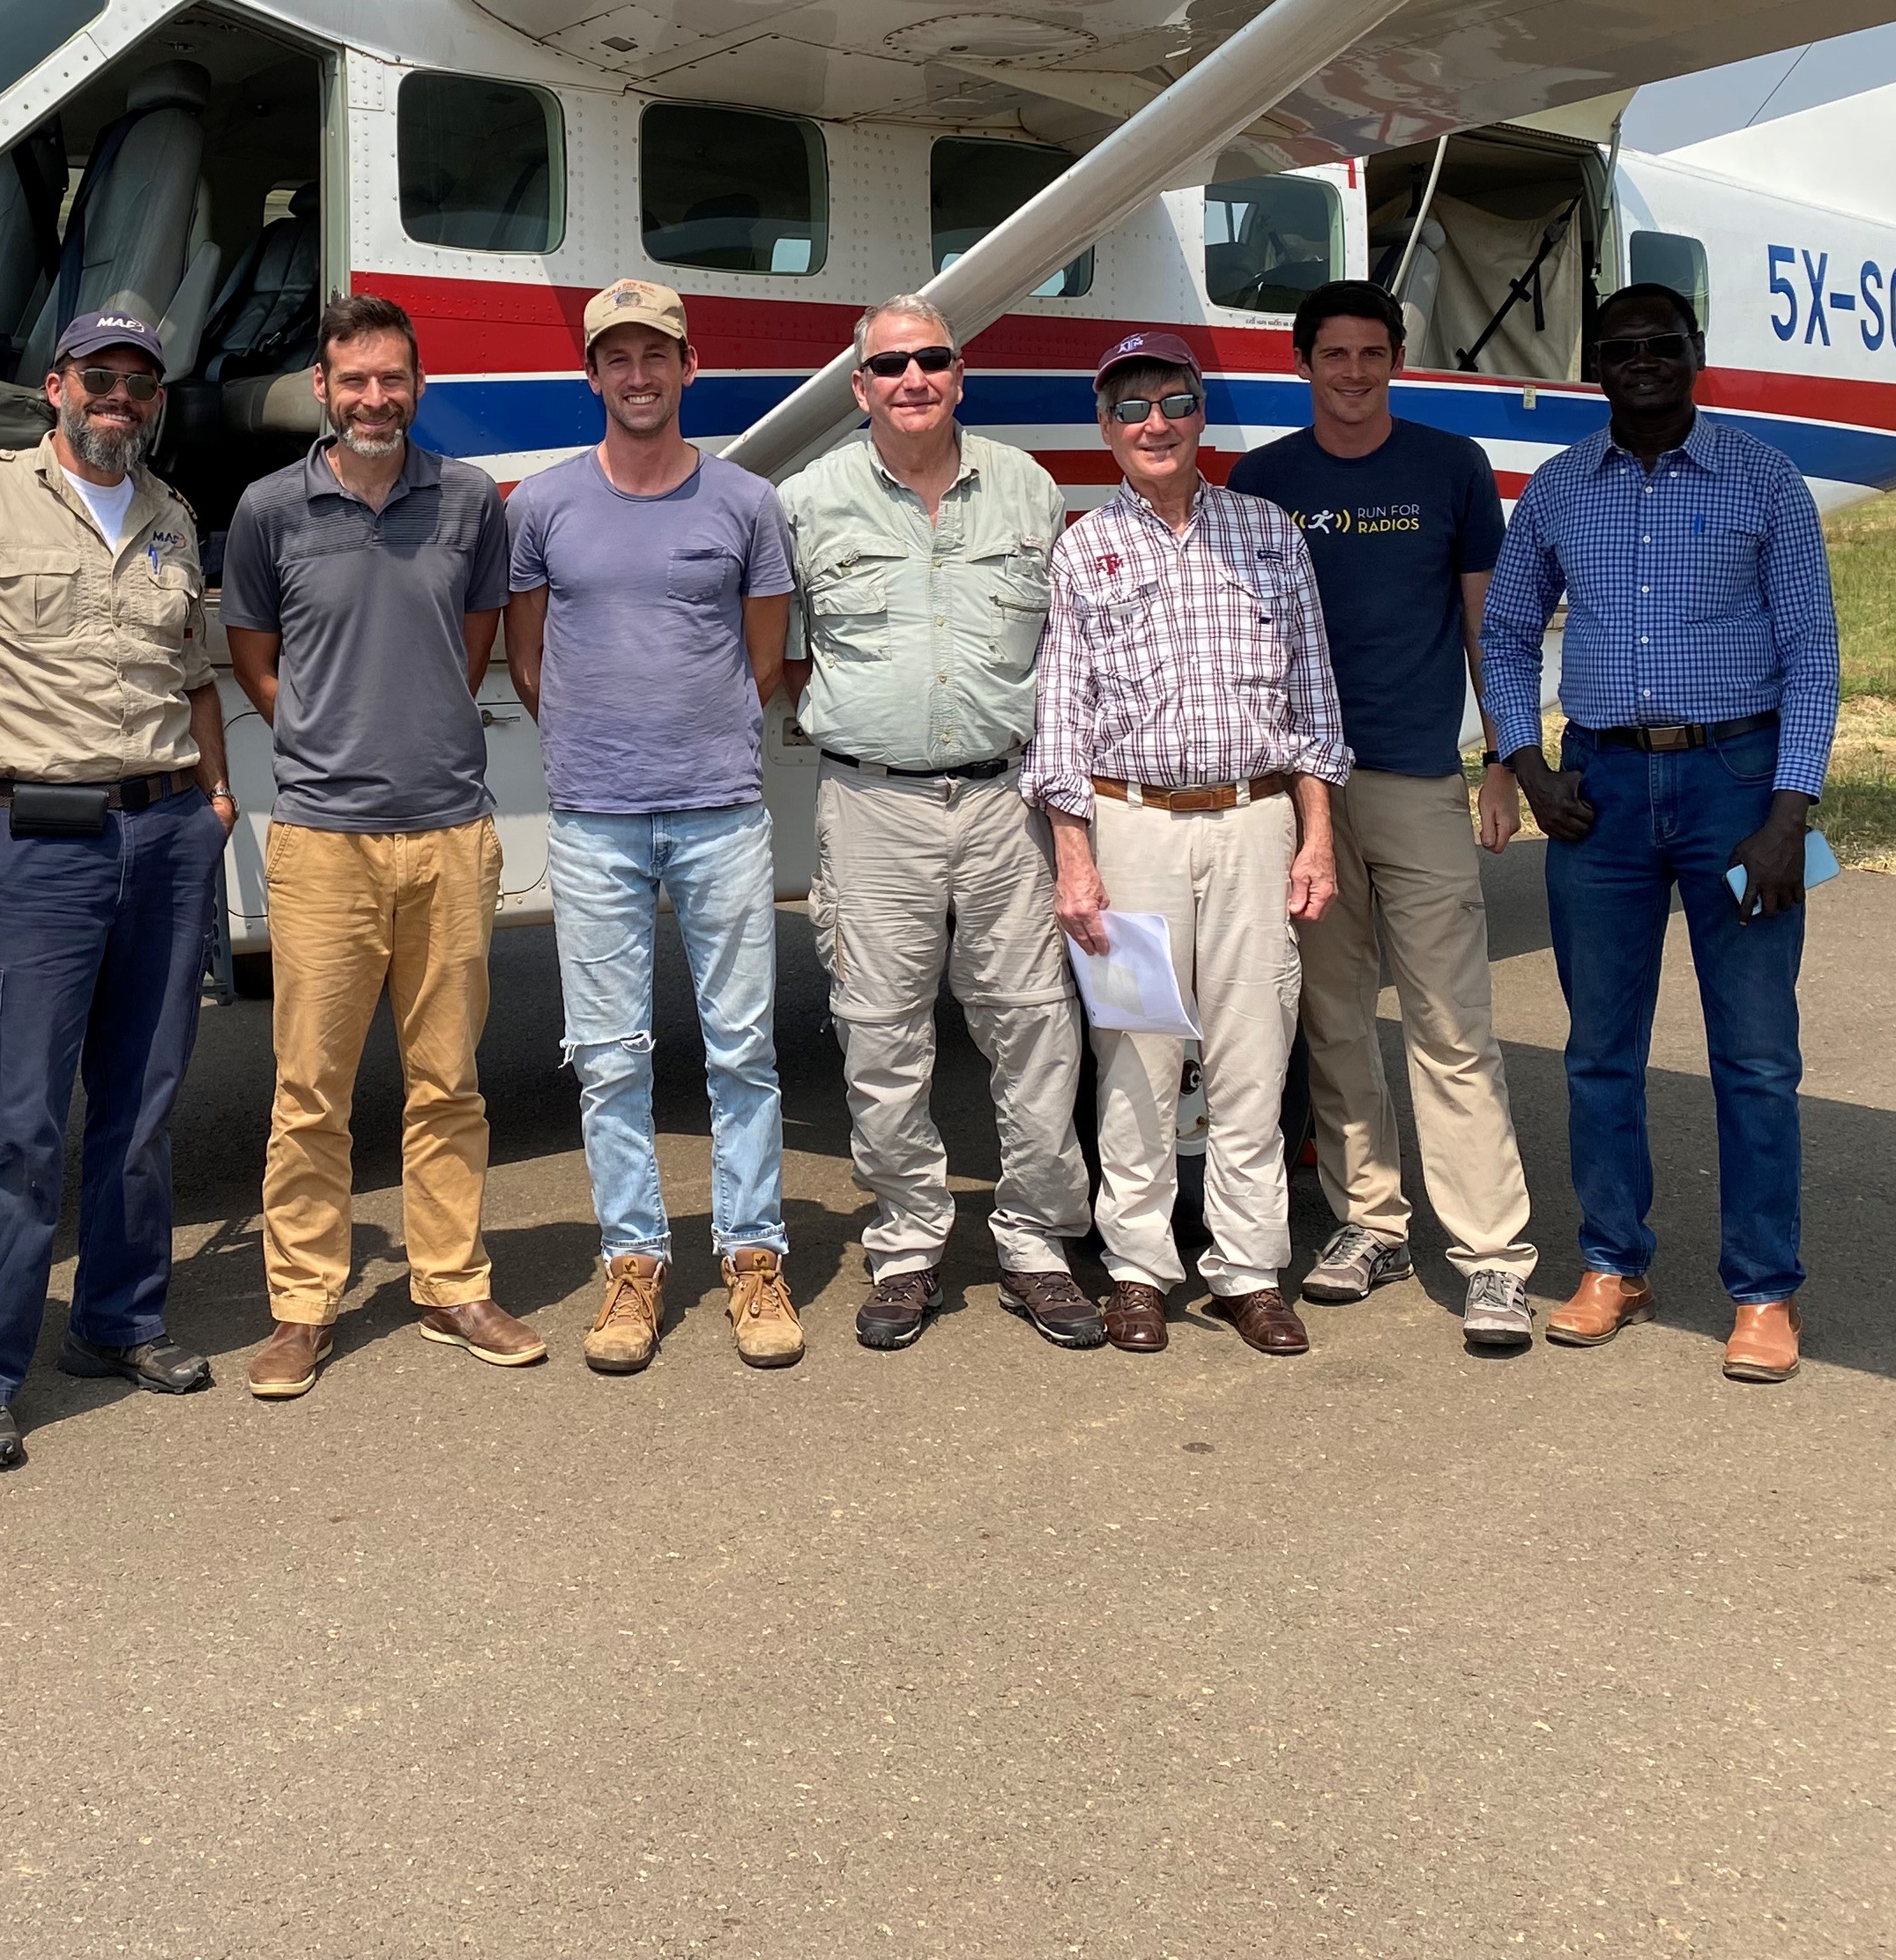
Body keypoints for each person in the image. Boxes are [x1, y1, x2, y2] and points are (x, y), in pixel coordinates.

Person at [1482, 280, 1838, 1385]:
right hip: (1601, 797)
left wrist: (1790, 812)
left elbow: (1812, 656)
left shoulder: (1763, 480)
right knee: (1599, 1051)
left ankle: (1764, 1290)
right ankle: (1612, 1262)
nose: (1641, 361)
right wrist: (1529, 768)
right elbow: (1502, 632)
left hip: (1738, 791)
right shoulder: (1556, 492)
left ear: (1696, 352)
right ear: (1596, 366)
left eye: (1661, 344)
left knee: (1756, 1055)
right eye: (1620, 348)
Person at [0, 307, 237, 1470]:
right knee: (14, 1120)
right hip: (34, 841)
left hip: (163, 836)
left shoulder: (175, 515)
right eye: (99, 377)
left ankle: (118, 1320)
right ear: (54, 386)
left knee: (145, 1104)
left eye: (139, 383)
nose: (119, 397)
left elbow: (191, 671)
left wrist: (216, 795)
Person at [221, 293, 542, 1399]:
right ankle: (302, 1307)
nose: (373, 398)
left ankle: (452, 1283)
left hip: (450, 830)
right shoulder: (269, 509)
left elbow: (471, 649)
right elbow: (256, 659)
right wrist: (323, 736)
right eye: (353, 380)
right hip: (323, 840)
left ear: (417, 384)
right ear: (323, 388)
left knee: (447, 1081)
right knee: (309, 1088)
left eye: (391, 379)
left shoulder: (466, 502)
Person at [777, 297, 1103, 1355]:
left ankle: (1036, 1245)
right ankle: (909, 1242)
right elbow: (782, 658)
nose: (913, 378)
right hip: (874, 802)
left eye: (933, 360)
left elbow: (1065, 654)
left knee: (1035, 1026)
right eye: (890, 366)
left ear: (957, 375)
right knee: (880, 1031)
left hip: (1008, 799)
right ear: (859, 387)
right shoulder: (807, 502)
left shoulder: (1029, 489)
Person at [1027, 329, 1350, 1358]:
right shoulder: (1083, 548)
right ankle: (1137, 1271)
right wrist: (1076, 859)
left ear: (1201, 413)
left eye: (1173, 402)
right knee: (1137, 1058)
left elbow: (1312, 702)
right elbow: (1061, 723)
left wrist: (1316, 838)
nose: (1154, 424)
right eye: (1131, 409)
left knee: (1256, 1051)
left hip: (1258, 823)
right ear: (1106, 429)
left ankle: (1251, 1271)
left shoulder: (1268, 534)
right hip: (1132, 827)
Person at [1231, 281, 1540, 1354]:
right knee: (1335, 1017)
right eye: (1335, 354)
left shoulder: (1449, 467)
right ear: (1303, 364)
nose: (1353, 372)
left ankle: (1494, 1255)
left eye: (1372, 353)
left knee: (1453, 1022)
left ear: (1397, 360)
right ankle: (1372, 1222)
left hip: (1415, 779)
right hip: (1297, 794)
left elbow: (1484, 625)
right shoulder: (1263, 482)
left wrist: (1501, 759)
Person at [505, 279, 801, 1374]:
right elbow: (528, 661)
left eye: (656, 355)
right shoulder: (540, 507)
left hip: (721, 809)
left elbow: (762, 658)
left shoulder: (745, 504)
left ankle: (754, 1255)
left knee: (744, 1051)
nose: (638, 375)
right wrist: (600, 745)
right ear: (592, 376)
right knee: (611, 1058)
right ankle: (635, 1263)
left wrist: (690, 735)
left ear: (689, 367)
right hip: (593, 819)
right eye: (617, 358)